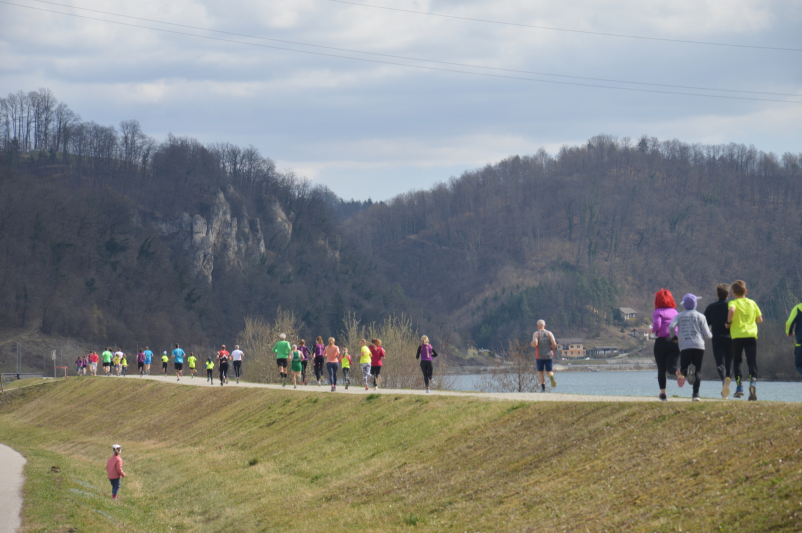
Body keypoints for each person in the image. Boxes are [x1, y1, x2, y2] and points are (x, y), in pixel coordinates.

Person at [669, 294, 713, 401]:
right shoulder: (701, 316)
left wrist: (674, 337)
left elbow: (671, 326)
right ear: (695, 304)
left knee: (684, 367)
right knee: (697, 371)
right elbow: (707, 335)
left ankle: (686, 372)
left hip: (685, 346)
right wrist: (710, 333)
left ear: (684, 304)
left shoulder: (679, 316)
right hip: (699, 346)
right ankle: (696, 394)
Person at [727, 280, 763, 401]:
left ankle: (739, 386)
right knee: (751, 360)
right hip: (751, 335)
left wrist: (728, 322)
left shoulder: (733, 302)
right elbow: (760, 319)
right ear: (745, 291)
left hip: (737, 336)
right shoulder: (752, 303)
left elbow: (731, 311)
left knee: (737, 361)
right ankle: (752, 382)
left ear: (733, 293)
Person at [704, 283, 733, 398]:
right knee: (729, 364)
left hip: (717, 338)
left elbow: (705, 323)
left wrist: (709, 329)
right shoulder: (732, 306)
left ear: (717, 294)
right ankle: (727, 384)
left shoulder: (711, 307)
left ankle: (724, 383)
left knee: (720, 364)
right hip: (731, 338)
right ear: (728, 294)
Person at [653, 289, 681, 401]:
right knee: (671, 367)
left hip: (661, 342)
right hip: (675, 341)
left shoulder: (658, 312)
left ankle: (663, 394)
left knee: (661, 370)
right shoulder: (675, 312)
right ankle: (677, 371)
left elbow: (657, 325)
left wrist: (651, 330)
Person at [530, 320, 557, 393]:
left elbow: (535, 344)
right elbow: (554, 344)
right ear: (544, 325)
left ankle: (543, 388)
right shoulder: (549, 333)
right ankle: (551, 377)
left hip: (540, 356)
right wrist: (552, 348)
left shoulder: (536, 334)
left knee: (540, 372)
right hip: (549, 355)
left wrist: (531, 344)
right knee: (549, 371)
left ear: (537, 325)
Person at [786, 293, 802, 375]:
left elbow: (789, 322)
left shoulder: (798, 308)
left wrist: (789, 332)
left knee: (799, 365)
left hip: (801, 343)